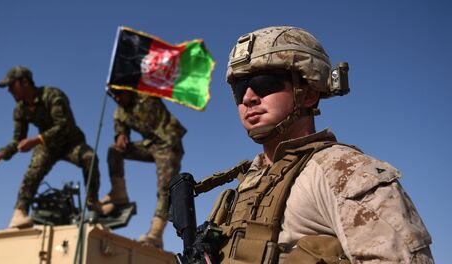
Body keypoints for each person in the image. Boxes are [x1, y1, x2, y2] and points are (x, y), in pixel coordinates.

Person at [199, 26, 433, 263]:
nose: (248, 97)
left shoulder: (343, 171)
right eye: (240, 88)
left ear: (308, 94)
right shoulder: (246, 184)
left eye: (264, 83)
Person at [0, 65, 102, 228]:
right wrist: (1, 154)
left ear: (24, 82)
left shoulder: (53, 95)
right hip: (48, 146)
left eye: (12, 85)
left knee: (90, 158)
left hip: (70, 143)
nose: (9, 91)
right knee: (33, 172)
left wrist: (36, 139)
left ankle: (92, 203)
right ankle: (20, 213)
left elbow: (64, 125)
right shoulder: (20, 110)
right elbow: (18, 139)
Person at [103, 88, 186, 249]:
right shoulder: (119, 113)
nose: (117, 98)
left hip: (169, 144)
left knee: (165, 187)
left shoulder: (146, 95)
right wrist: (120, 136)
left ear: (128, 90)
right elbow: (120, 130)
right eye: (114, 96)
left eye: (120, 94)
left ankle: (156, 234)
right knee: (114, 150)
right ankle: (119, 193)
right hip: (151, 146)